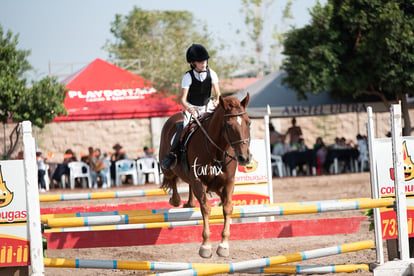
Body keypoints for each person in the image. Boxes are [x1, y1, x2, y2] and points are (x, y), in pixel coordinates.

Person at [162, 43, 221, 170]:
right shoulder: (188, 77)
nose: (203, 63)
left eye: (204, 60)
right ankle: (172, 154)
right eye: (200, 61)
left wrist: (217, 101)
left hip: (208, 106)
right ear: (193, 63)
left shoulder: (213, 74)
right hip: (192, 107)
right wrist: (189, 108)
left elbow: (218, 94)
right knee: (184, 127)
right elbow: (182, 99)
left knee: (219, 124)